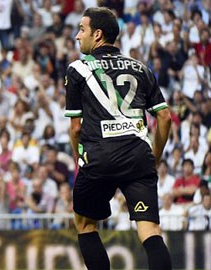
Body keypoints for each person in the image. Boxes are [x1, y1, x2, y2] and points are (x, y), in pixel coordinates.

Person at [65, 7, 172, 270]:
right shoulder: (141, 67)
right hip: (138, 156)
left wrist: (79, 159)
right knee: (151, 230)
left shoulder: (78, 69)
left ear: (97, 34)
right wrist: (153, 158)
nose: (78, 36)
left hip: (99, 157)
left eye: (82, 29)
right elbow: (166, 117)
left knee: (85, 224)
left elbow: (76, 128)